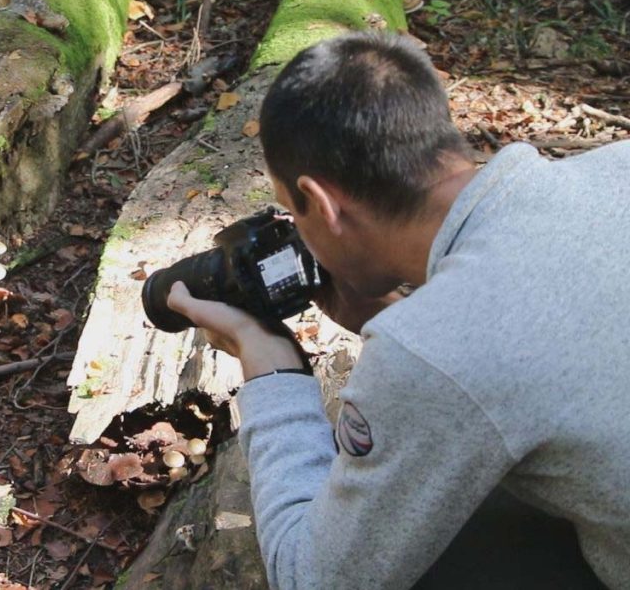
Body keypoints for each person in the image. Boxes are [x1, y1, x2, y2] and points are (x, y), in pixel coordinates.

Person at [165, 31, 630, 588]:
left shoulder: (432, 351)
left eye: (293, 213)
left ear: (324, 203)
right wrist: (390, 314)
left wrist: (271, 367)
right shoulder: (616, 165)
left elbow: (313, 577)